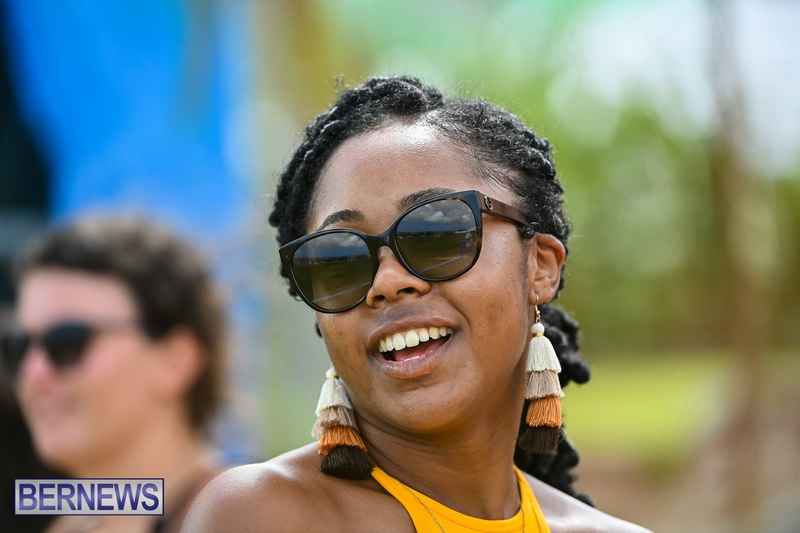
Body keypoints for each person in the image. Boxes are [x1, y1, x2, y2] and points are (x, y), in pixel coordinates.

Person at [183, 75, 650, 532]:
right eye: (339, 258)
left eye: (436, 232)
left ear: (540, 267)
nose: (386, 282)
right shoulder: (261, 517)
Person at [0, 215, 228, 533]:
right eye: (18, 347)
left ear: (175, 360)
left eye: (67, 342)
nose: (32, 373)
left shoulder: (249, 519)